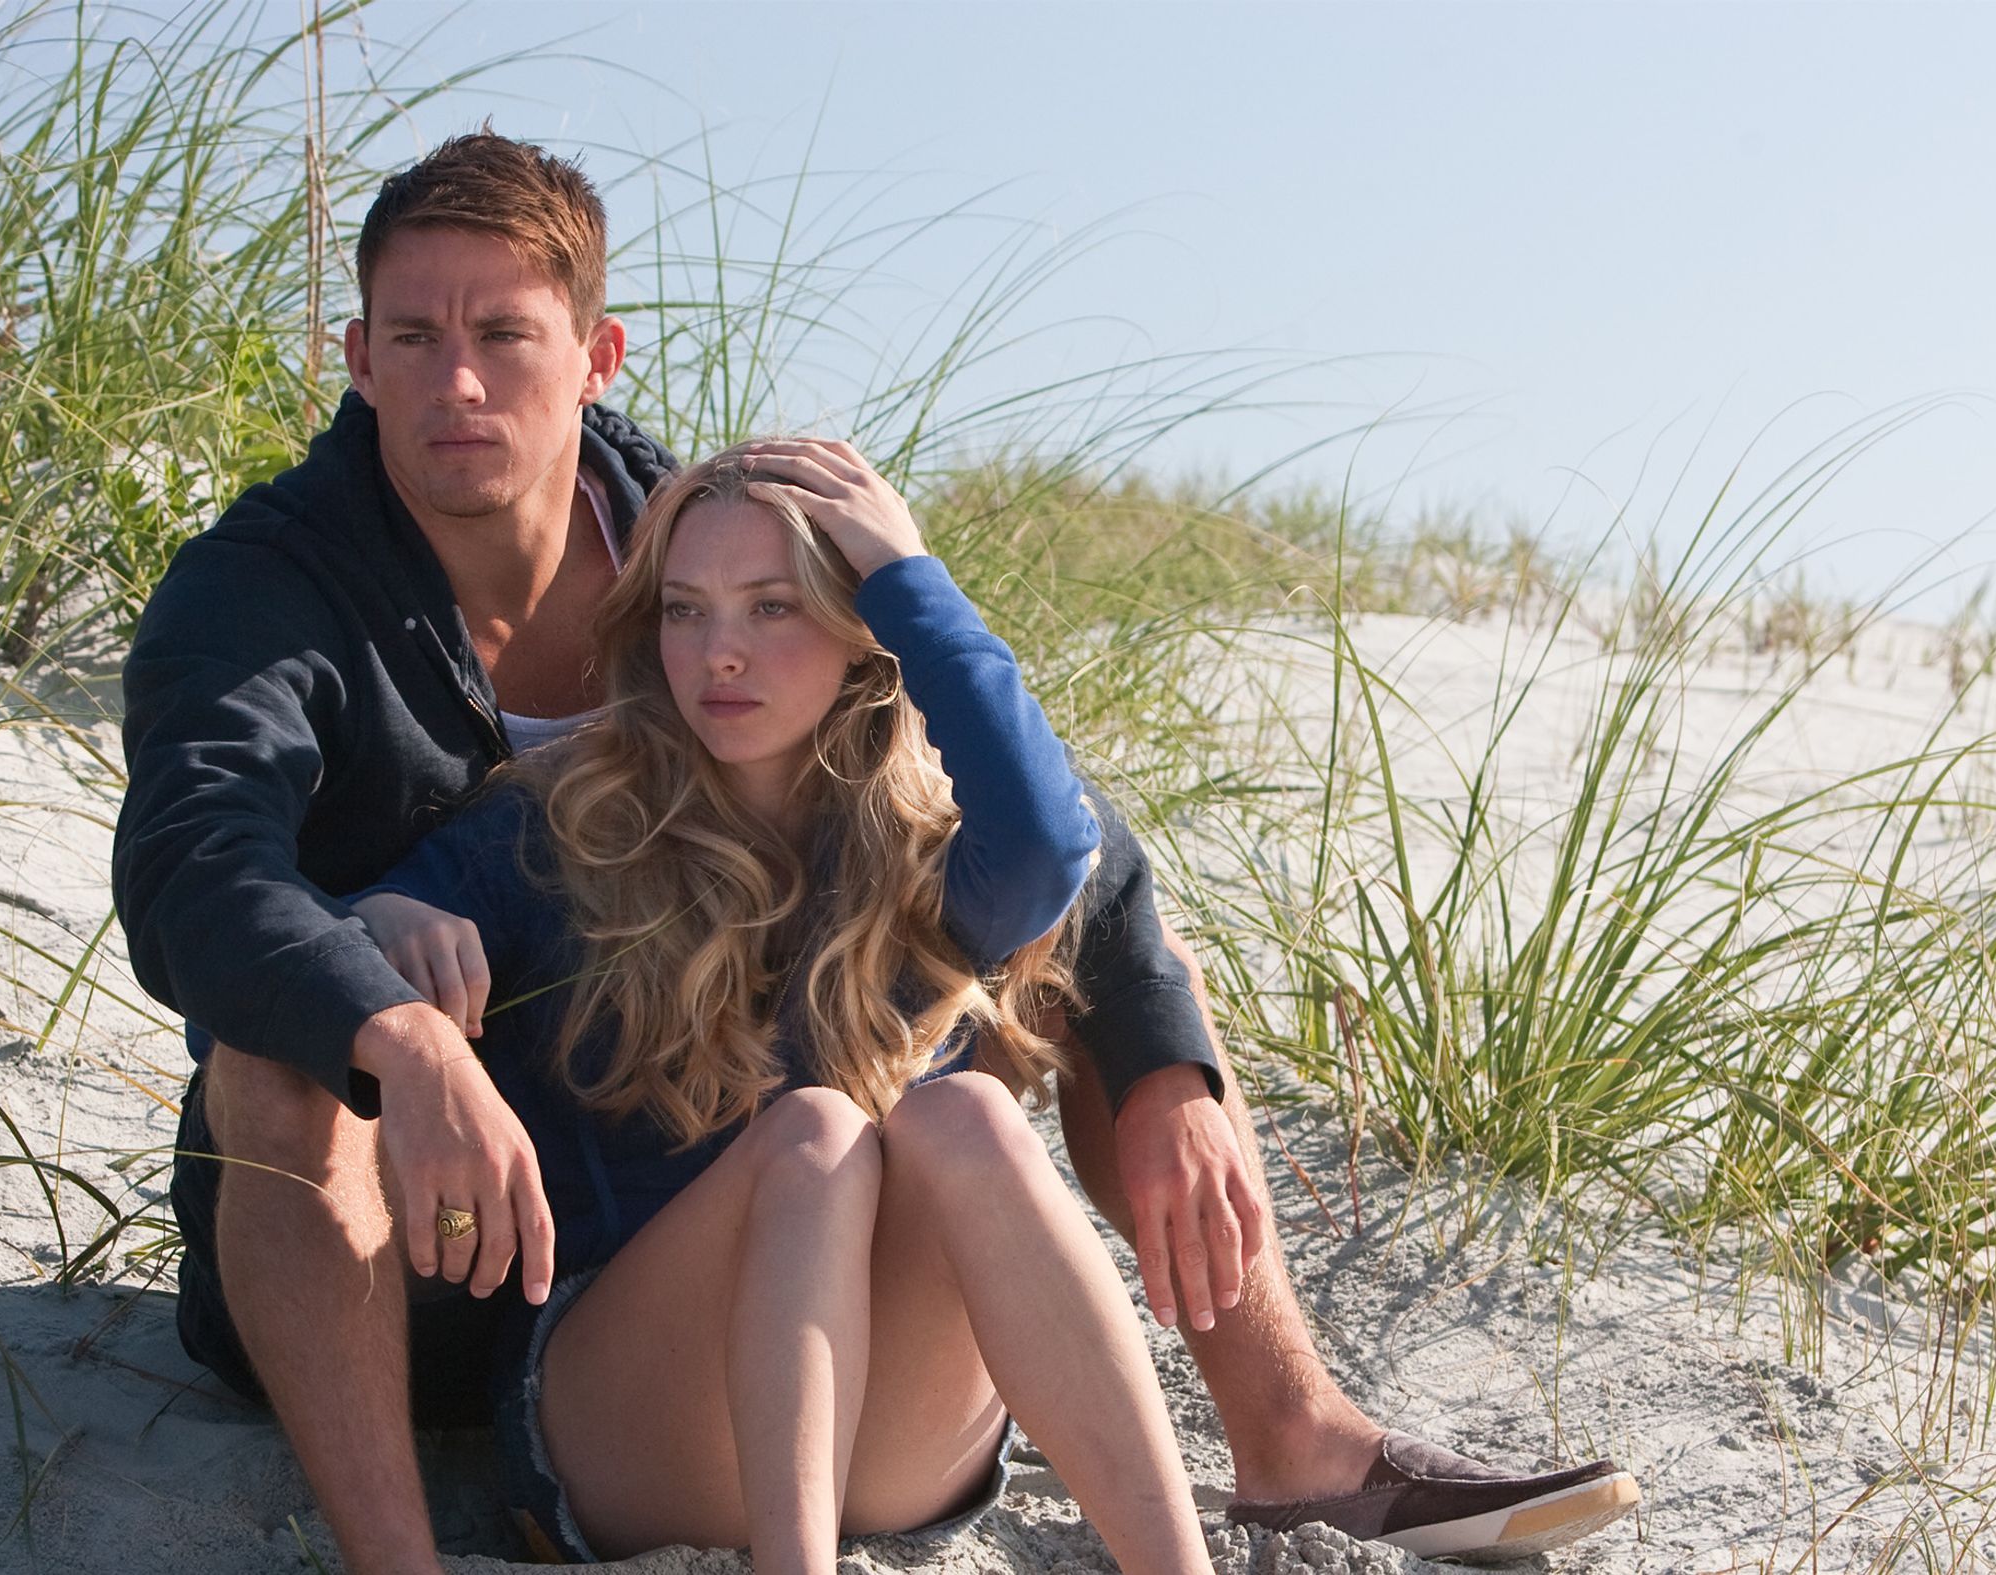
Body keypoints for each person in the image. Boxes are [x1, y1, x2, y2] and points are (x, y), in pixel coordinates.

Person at [111, 131, 1637, 1575]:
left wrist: (1167, 1057)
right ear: (356, 354)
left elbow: (1046, 833)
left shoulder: (702, 528)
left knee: (1012, 1044)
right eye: (413, 335)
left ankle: (1288, 1428)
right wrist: (384, 994)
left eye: (504, 334)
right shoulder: (268, 593)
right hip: (434, 1247)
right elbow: (196, 869)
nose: (457, 379)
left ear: (596, 353)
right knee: (280, 1043)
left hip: (758, 1236)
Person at [337, 439, 1207, 1572]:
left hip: (886, 1440)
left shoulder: (926, 855)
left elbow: (1052, 842)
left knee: (969, 1117)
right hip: (626, 1431)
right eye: (685, 610)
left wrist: (907, 575)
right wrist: (383, 917)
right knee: (816, 1133)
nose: (721, 653)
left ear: (862, 632)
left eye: (772, 607)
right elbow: (312, 955)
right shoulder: (568, 826)